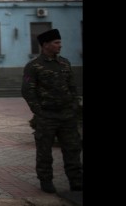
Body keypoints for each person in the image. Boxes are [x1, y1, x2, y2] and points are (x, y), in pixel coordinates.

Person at [21, 29, 82, 193]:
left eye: (60, 42)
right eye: (56, 43)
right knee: (44, 151)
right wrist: (39, 111)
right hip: (47, 116)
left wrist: (74, 105)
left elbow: (72, 86)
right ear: (45, 45)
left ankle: (76, 180)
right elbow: (27, 91)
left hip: (67, 115)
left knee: (73, 149)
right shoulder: (34, 66)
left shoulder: (65, 63)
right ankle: (46, 181)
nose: (60, 46)